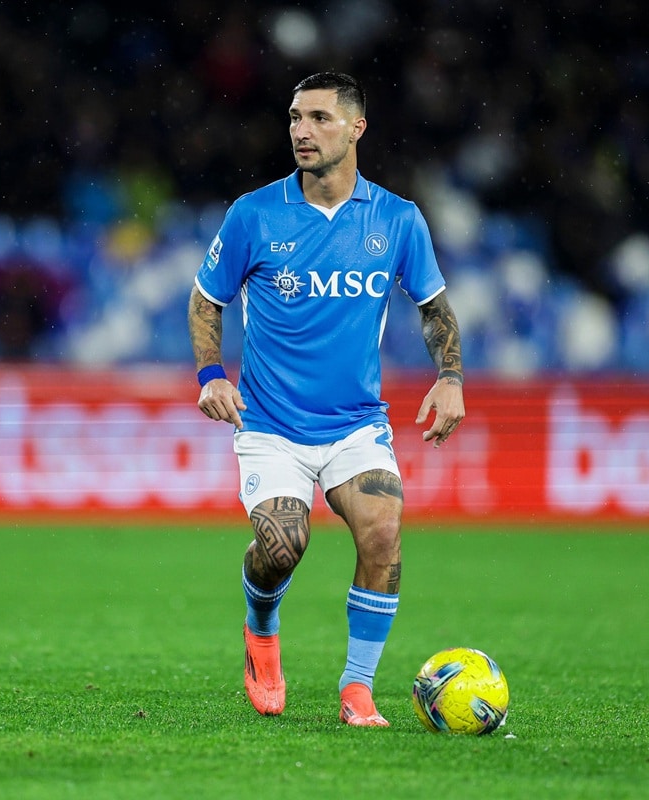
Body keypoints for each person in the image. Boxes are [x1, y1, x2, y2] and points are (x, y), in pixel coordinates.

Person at [187, 72, 465, 727]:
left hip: (354, 425)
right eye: (293, 118)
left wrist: (449, 376)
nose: (300, 132)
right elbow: (207, 297)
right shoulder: (255, 214)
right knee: (283, 544)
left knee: (383, 531)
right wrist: (209, 375)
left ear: (356, 127)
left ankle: (357, 688)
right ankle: (262, 627)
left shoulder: (397, 219)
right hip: (271, 424)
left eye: (317, 118)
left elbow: (435, 309)